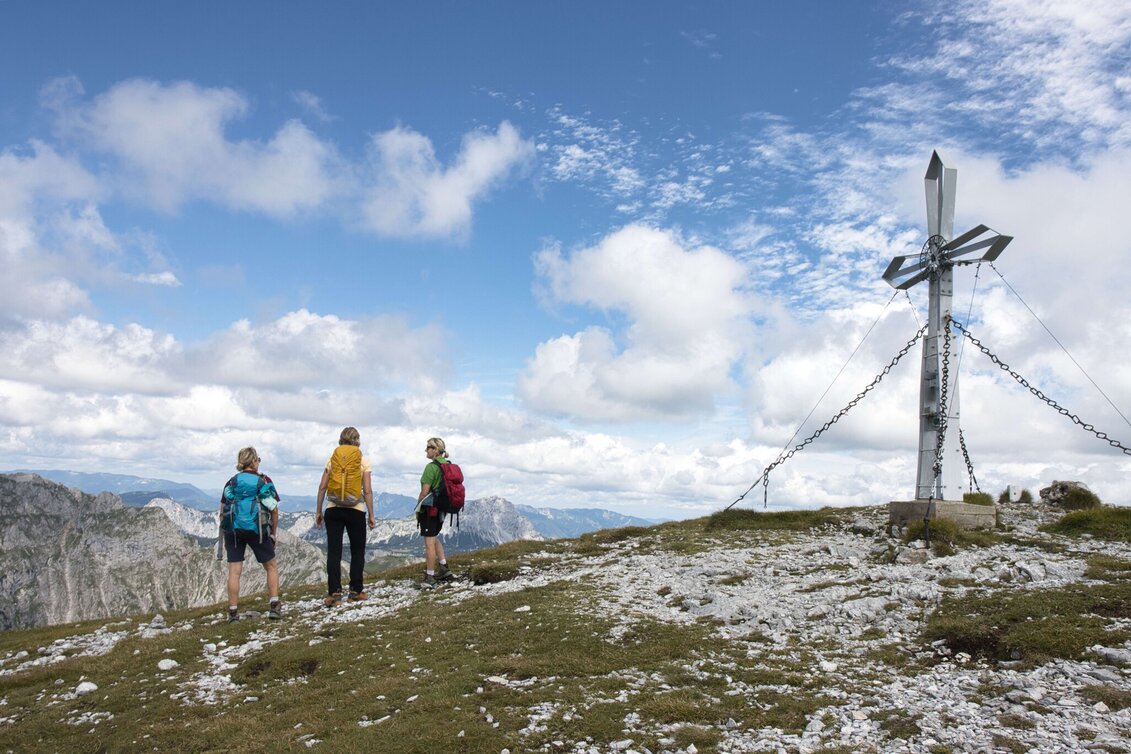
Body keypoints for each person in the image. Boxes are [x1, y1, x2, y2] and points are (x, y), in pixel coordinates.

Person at [315, 427, 376, 606]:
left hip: (333, 509)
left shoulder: (332, 459)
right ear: (357, 440)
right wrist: (371, 514)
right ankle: (355, 591)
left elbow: (322, 487)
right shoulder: (363, 460)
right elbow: (368, 490)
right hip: (356, 509)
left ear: (341, 439)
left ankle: (334, 594)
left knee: (334, 551)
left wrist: (319, 511)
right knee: (357, 551)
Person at [220, 447, 281, 623]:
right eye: (258, 459)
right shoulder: (263, 481)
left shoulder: (231, 482)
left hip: (233, 530)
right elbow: (274, 509)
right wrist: (273, 534)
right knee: (271, 566)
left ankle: (233, 613)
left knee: (234, 571)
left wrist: (225, 534)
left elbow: (223, 509)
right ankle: (274, 606)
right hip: (258, 530)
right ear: (254, 461)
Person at [417, 436, 455, 588]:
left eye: (428, 447)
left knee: (429, 543)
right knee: (434, 537)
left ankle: (430, 576)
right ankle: (444, 567)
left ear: (436, 450)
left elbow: (425, 492)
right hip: (442, 508)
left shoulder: (431, 467)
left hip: (430, 508)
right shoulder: (447, 464)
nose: (426, 450)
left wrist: (418, 507)